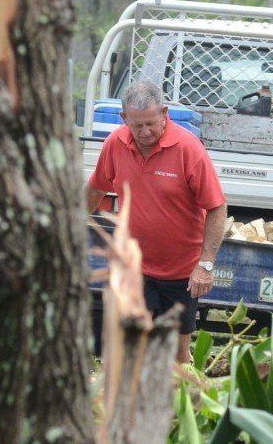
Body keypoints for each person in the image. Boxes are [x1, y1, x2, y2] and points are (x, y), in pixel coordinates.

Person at [86, 78, 227, 361]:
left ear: (165, 114)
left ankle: (181, 402)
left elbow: (216, 207)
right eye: (137, 125)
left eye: (151, 123)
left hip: (180, 272)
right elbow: (95, 189)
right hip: (135, 267)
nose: (145, 132)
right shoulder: (115, 145)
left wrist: (206, 264)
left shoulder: (188, 149)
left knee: (177, 355)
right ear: (124, 118)